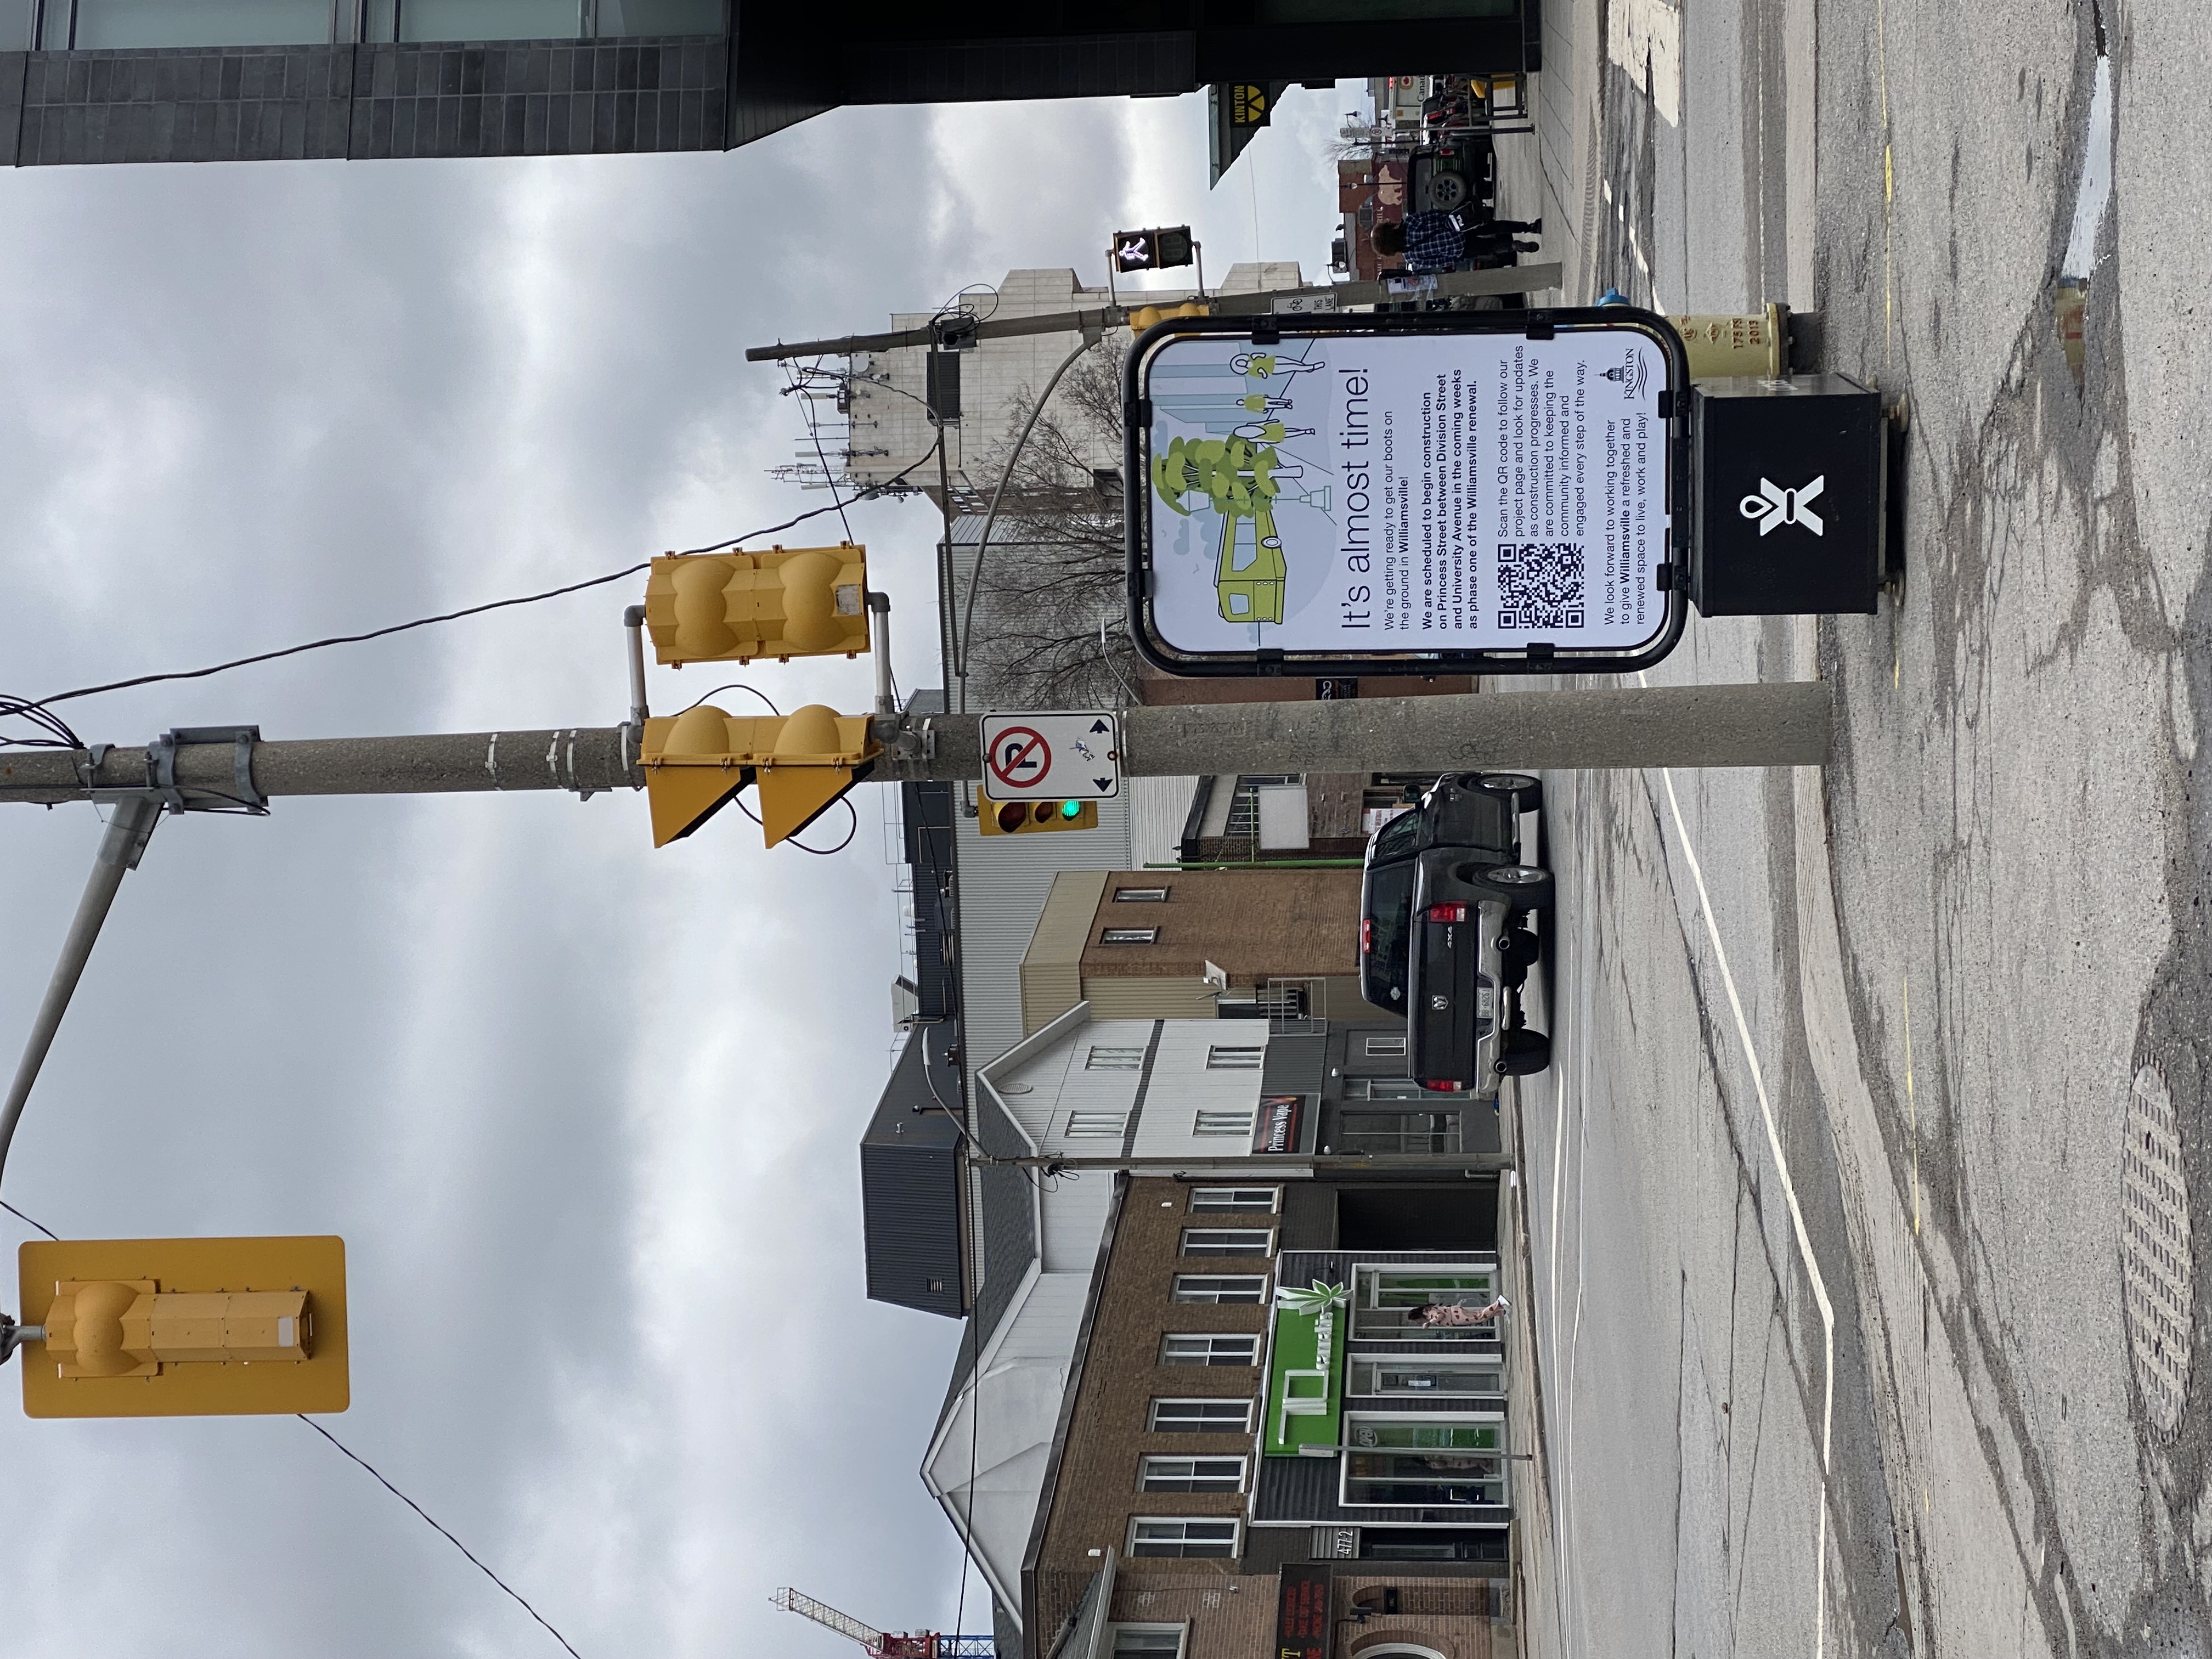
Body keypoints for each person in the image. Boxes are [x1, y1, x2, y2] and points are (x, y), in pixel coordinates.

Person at [1406, 1296, 1509, 1328]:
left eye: (1416, 1321)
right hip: (1456, 1318)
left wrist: (1430, 1323)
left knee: (1479, 1316)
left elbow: (1440, 1315)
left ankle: (1499, 1303)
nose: (1418, 1322)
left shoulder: (1427, 1313)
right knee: (1479, 1317)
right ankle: (1500, 1312)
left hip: (1456, 1316)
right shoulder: (1427, 1314)